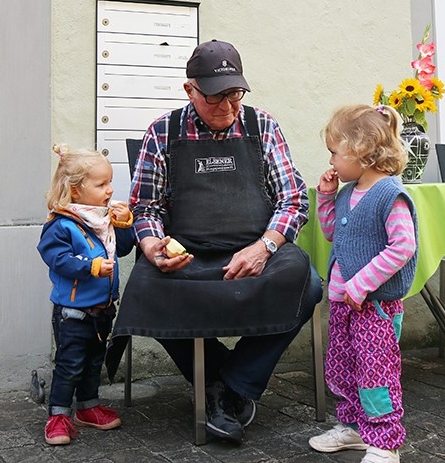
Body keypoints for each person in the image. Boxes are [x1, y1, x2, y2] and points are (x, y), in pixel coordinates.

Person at [115, 39, 321, 444]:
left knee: (308, 284)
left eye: (234, 94)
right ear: (190, 90)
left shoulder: (263, 126)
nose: (227, 107)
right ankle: (226, 385)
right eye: (214, 98)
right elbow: (146, 206)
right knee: (145, 287)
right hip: (188, 255)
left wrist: (266, 246)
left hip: (257, 246)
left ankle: (229, 385)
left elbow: (293, 200)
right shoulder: (163, 131)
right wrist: (154, 245)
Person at [307, 105, 418, 463]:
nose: (332, 161)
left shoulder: (390, 194)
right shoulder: (347, 192)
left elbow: (403, 246)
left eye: (334, 153)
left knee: (375, 373)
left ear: (363, 150)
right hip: (344, 304)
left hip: (374, 307)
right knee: (342, 366)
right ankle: (355, 428)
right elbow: (332, 235)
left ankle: (385, 441)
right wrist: (326, 197)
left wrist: (361, 284)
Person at [36, 145, 136, 446]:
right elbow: (56, 258)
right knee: (70, 364)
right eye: (101, 184)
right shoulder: (61, 224)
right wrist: (89, 266)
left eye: (110, 183)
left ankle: (88, 407)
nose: (110, 190)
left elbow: (123, 248)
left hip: (102, 309)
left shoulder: (103, 220)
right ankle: (58, 415)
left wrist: (124, 223)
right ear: (75, 190)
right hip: (73, 313)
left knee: (94, 361)